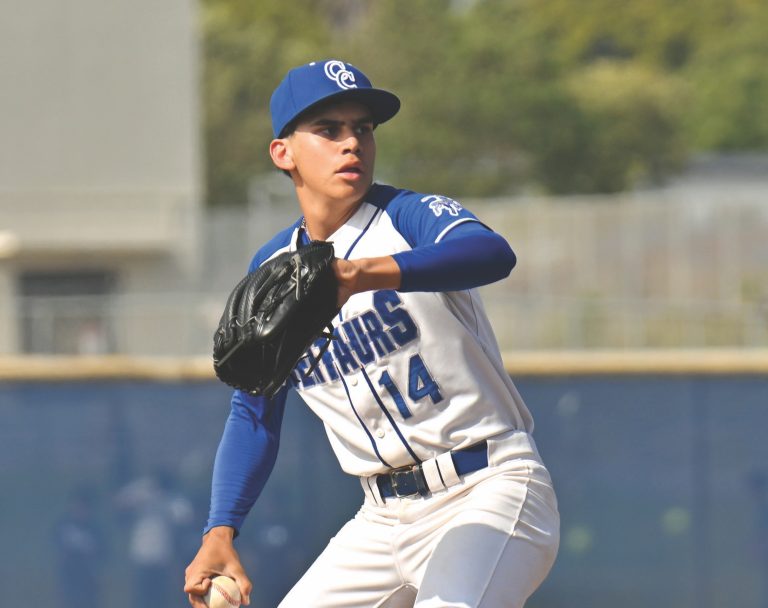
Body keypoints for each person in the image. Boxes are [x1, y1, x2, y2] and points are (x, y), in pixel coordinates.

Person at [185, 59, 560, 608]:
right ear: (283, 153)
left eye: (362, 128)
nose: (351, 143)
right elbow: (253, 412)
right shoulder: (273, 268)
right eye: (329, 130)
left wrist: (359, 275)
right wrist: (220, 530)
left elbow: (491, 253)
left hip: (487, 488)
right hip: (381, 520)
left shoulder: (407, 217)